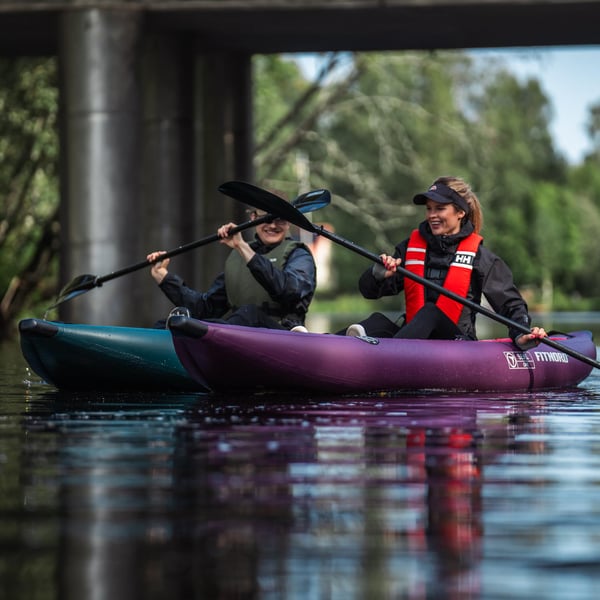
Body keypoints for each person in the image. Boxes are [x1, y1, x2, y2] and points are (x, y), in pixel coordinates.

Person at [343, 176, 547, 349]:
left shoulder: (481, 257)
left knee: (431, 312)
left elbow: (511, 305)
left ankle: (383, 357)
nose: (432, 215)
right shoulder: (410, 248)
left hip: (457, 344)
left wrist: (521, 333)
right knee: (378, 321)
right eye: (429, 209)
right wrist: (376, 275)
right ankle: (323, 342)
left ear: (460, 213)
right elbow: (369, 292)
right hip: (413, 342)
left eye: (440, 208)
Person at [147, 207, 316, 331]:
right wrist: (164, 278)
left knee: (250, 313)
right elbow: (205, 308)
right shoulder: (238, 257)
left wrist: (242, 247)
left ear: (287, 223)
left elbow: (289, 292)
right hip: (241, 333)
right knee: (167, 324)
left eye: (280, 219)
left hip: (283, 336)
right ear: (253, 217)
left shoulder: (299, 255)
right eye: (266, 218)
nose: (272, 225)